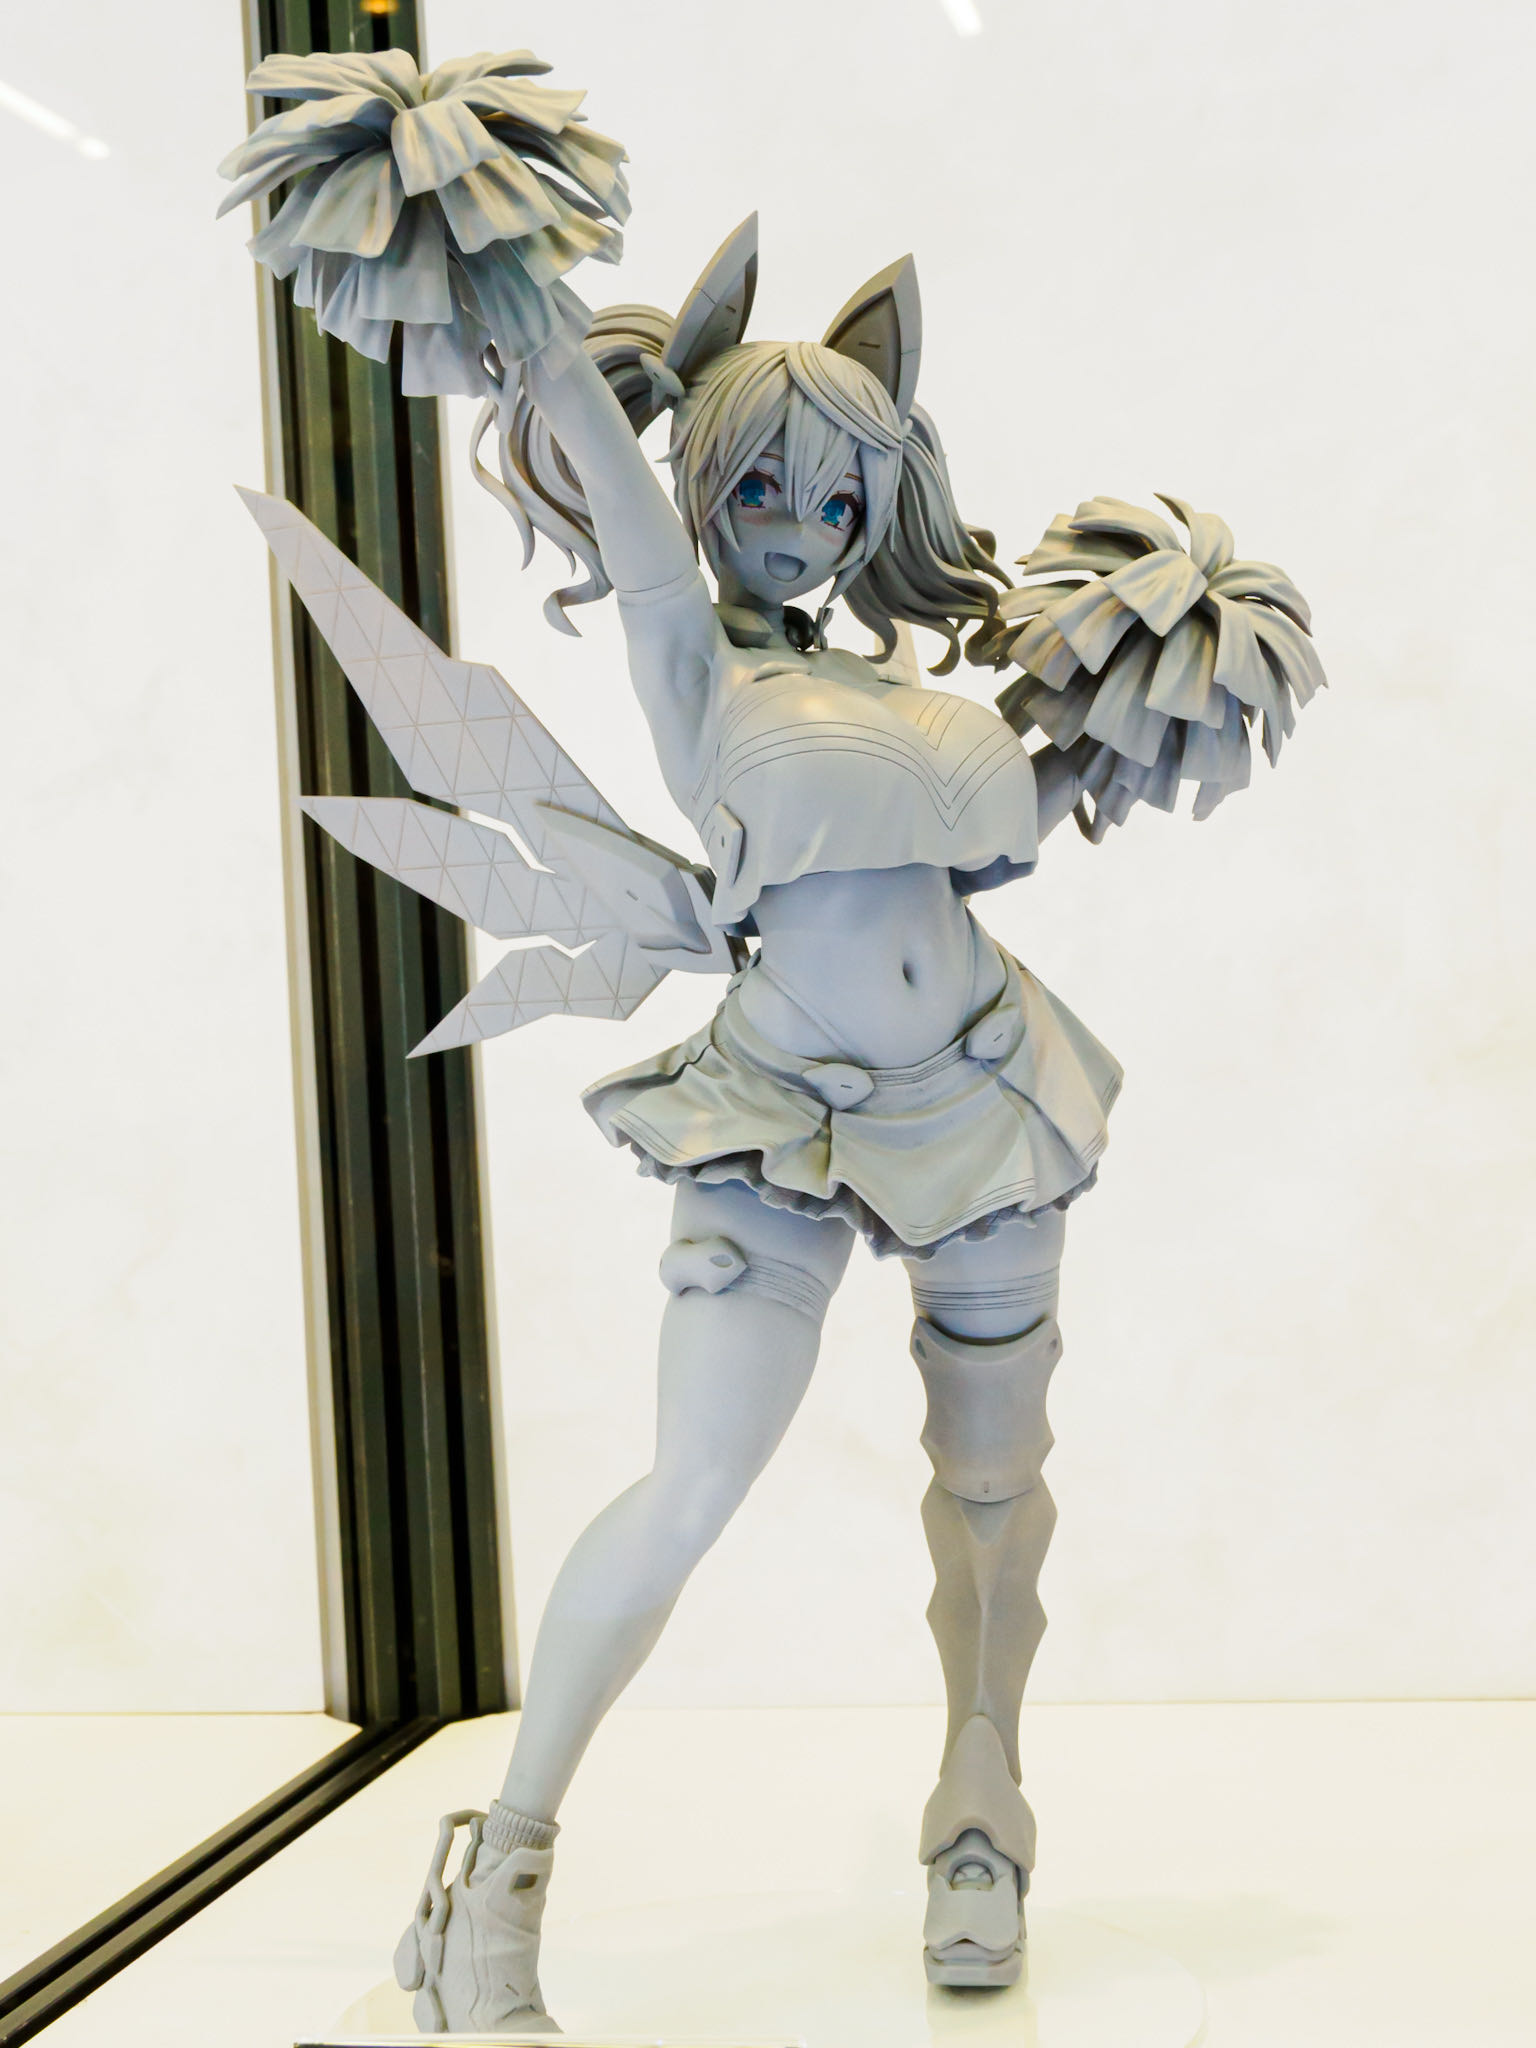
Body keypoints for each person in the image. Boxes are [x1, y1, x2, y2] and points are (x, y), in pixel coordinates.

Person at [220, 49, 1324, 2033]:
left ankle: (979, 1818)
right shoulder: (689, 648)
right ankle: (500, 1866)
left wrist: (1166, 660)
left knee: (995, 1487)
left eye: (836, 492)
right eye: (757, 486)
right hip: (780, 1111)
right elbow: (595, 442)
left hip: (986, 1095)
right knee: (690, 1487)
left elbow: (1030, 798)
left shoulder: (924, 695)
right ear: (696, 486)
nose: (800, 526)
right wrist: (505, 262)